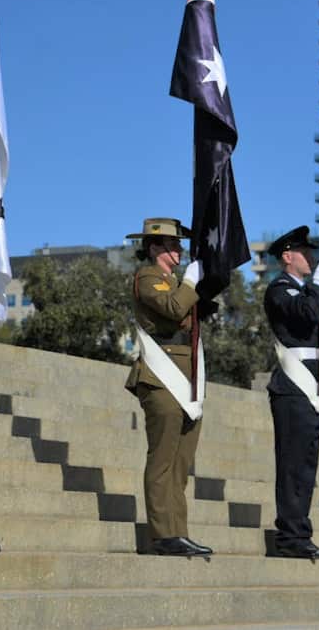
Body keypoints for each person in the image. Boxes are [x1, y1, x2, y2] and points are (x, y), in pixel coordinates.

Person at [124, 217, 213, 558]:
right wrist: (190, 282)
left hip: (187, 374)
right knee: (163, 459)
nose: (179, 251)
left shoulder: (174, 281)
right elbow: (174, 308)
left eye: (179, 245)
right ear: (154, 248)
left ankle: (179, 532)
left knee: (181, 463)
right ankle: (163, 534)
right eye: (173, 245)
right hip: (161, 375)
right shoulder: (149, 276)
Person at [263, 225, 319, 560]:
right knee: (293, 465)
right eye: (304, 252)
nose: (311, 258)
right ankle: (291, 536)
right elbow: (307, 314)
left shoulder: (305, 291)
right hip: (293, 388)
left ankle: (299, 532)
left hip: (312, 386)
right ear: (287, 256)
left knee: (306, 466)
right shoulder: (279, 290)